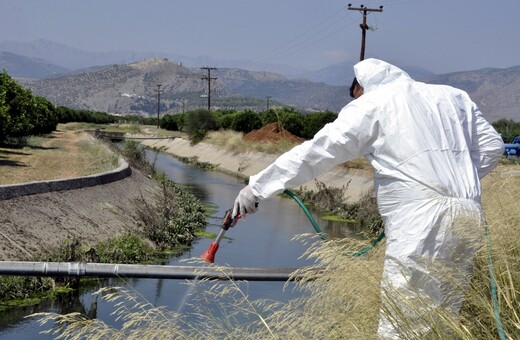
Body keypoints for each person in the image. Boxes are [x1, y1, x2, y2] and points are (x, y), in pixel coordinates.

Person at [232, 58, 504, 338]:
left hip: (421, 219)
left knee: (401, 320)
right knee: (445, 318)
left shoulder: (375, 103)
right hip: (468, 213)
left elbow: (318, 151)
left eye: (355, 95)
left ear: (362, 85)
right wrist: (454, 181)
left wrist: (257, 187)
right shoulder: (452, 97)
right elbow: (493, 146)